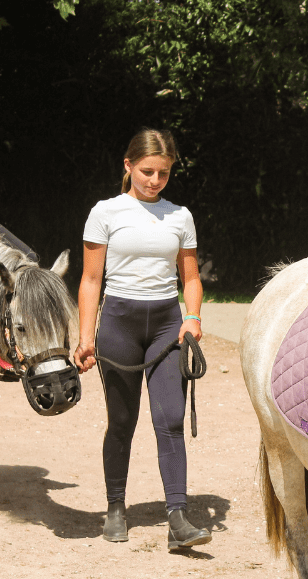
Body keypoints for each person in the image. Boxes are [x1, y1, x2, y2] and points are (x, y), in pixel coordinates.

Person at [73, 128, 212, 549]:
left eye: (164, 173)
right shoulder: (106, 212)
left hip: (167, 326)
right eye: (148, 171)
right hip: (118, 322)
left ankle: (178, 518)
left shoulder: (180, 216)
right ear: (128, 165)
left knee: (169, 420)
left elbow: (190, 278)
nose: (155, 180)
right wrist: (85, 338)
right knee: (121, 421)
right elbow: (91, 279)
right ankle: (116, 506)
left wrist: (192, 317)